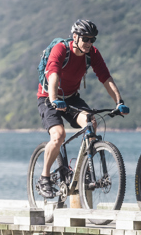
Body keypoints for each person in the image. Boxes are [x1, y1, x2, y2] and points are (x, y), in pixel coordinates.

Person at [36, 19, 129, 198]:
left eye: (92, 39)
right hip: (49, 97)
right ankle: (44, 177)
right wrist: (54, 99)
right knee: (58, 136)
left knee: (90, 122)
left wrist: (119, 101)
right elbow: (53, 74)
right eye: (85, 39)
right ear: (75, 37)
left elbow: (105, 78)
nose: (89, 43)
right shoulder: (61, 49)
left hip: (72, 98)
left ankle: (85, 168)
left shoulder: (92, 53)